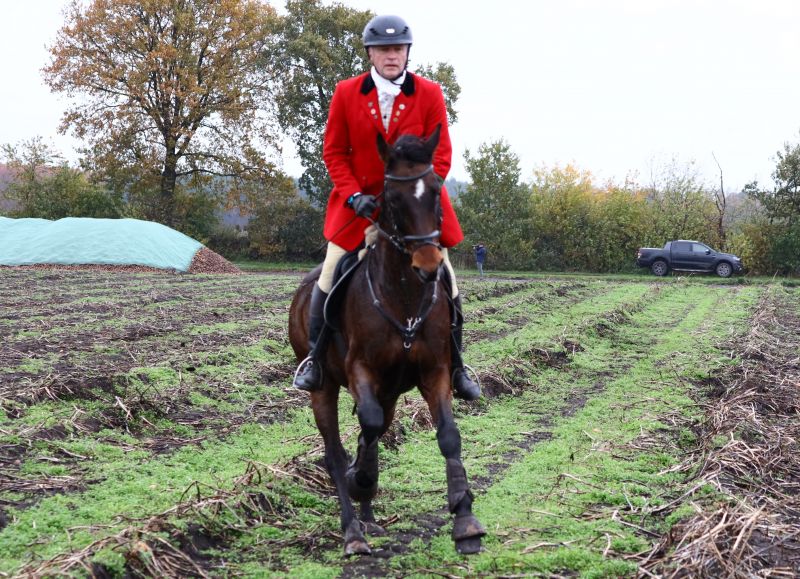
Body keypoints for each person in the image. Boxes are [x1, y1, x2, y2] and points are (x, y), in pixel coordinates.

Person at [292, 14, 480, 401]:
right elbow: (334, 153)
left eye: (397, 49)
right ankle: (314, 359)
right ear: (370, 54)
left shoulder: (430, 93)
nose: (391, 55)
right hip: (360, 209)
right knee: (328, 274)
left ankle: (458, 367)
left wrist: (418, 194)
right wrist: (352, 195)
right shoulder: (346, 93)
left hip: (413, 215)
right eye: (383, 50)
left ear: (407, 52)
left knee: (448, 279)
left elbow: (441, 155)